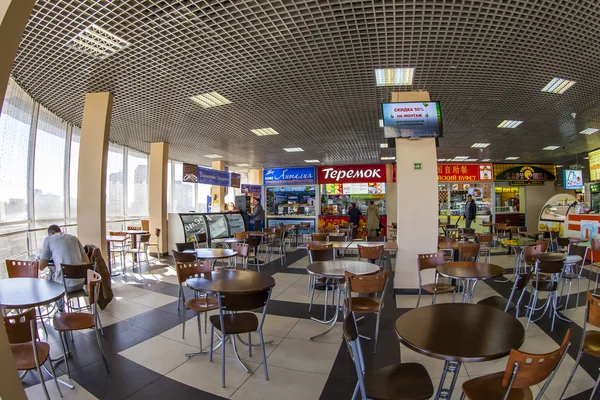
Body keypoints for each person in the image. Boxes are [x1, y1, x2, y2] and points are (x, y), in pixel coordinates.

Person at [39, 225, 90, 311]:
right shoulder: (74, 238)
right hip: (80, 283)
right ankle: (57, 307)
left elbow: (41, 266)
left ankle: (60, 309)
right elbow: (87, 261)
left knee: (52, 273)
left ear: (50, 234)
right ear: (60, 231)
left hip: (65, 287)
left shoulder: (49, 239)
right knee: (56, 272)